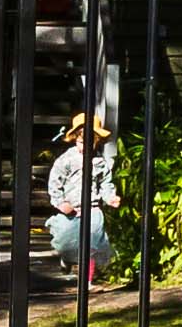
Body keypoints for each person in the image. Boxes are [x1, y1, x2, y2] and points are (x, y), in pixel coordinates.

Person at [40, 112, 121, 270]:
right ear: (74, 139)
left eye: (91, 143)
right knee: (65, 241)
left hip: (92, 209)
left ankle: (88, 281)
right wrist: (60, 202)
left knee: (92, 246)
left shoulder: (99, 162)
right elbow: (55, 182)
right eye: (81, 142)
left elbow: (104, 182)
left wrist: (110, 196)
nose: (85, 147)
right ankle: (67, 258)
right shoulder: (66, 160)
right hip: (71, 209)